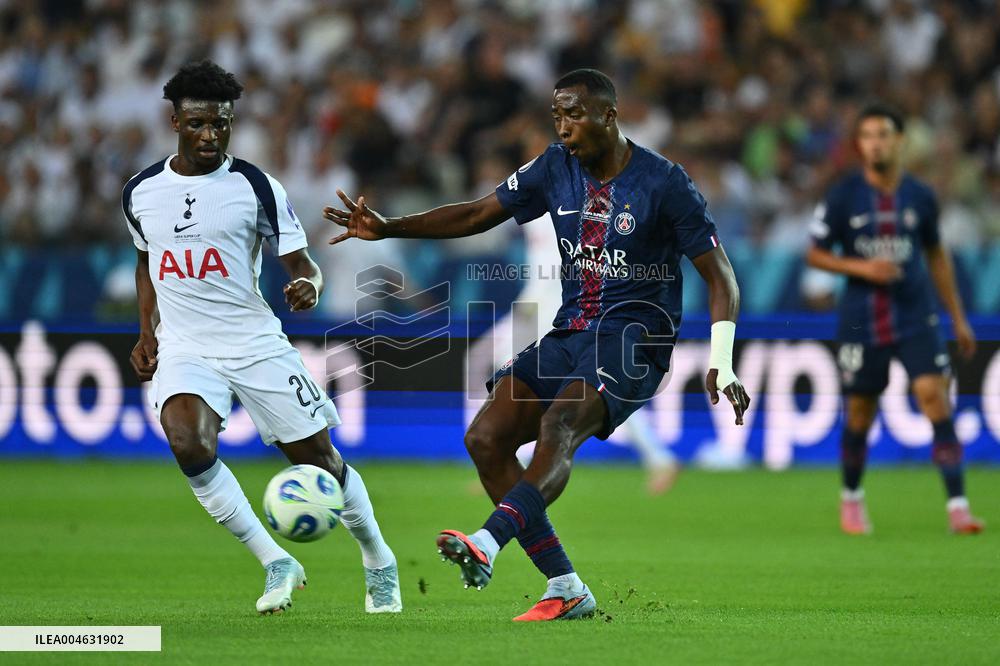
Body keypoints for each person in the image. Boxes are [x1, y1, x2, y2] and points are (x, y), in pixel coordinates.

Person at [325, 69, 749, 620]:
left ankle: (488, 541)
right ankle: (566, 587)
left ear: (609, 115)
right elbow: (479, 213)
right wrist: (390, 228)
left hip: (634, 336)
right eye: (558, 115)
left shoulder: (665, 182)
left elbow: (721, 277)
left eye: (575, 114)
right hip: (569, 329)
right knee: (486, 438)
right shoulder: (555, 167)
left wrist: (723, 360)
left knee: (559, 425)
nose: (565, 126)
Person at [124, 60, 402, 615]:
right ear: (175, 120)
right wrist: (145, 331)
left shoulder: (255, 186)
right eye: (199, 123)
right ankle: (276, 560)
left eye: (222, 124)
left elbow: (304, 263)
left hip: (254, 343)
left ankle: (378, 559)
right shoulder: (140, 190)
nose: (211, 135)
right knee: (188, 443)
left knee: (321, 464)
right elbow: (146, 260)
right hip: (186, 345)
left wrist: (307, 284)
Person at [807, 102, 983, 536]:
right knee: (861, 412)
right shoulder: (843, 195)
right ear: (859, 145)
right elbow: (814, 253)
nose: (876, 143)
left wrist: (958, 317)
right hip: (861, 317)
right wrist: (863, 269)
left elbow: (936, 256)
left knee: (934, 396)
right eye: (867, 136)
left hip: (915, 311)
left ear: (900, 141)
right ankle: (851, 498)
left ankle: (958, 506)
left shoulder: (920, 196)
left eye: (883, 135)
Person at [466, 210, 680, 495]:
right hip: (541, 303)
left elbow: (557, 261)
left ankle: (509, 457)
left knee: (577, 384)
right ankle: (657, 456)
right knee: (577, 385)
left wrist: (532, 299)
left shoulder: (548, 205)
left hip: (554, 304)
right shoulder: (538, 201)